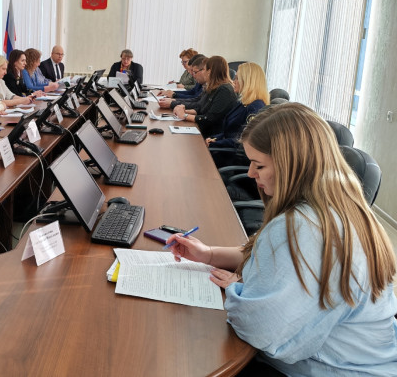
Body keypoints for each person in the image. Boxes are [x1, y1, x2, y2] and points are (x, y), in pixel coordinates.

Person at [166, 103, 397, 376]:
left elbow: (259, 329)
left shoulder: (305, 226)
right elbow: (271, 256)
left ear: (291, 165)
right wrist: (210, 254)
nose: (250, 173)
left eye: (259, 165)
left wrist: (240, 288)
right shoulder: (338, 206)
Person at [206, 62, 269, 148]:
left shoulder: (256, 107)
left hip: (231, 153)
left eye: (237, 78)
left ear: (247, 81)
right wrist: (215, 139)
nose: (234, 81)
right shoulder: (243, 102)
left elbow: (243, 140)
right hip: (224, 147)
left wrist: (216, 144)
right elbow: (229, 132)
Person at [173, 55, 237, 137]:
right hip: (204, 130)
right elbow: (202, 108)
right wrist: (184, 111)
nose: (203, 72)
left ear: (209, 71)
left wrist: (185, 116)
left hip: (212, 136)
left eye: (204, 69)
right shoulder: (213, 87)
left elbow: (210, 119)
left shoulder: (224, 90)